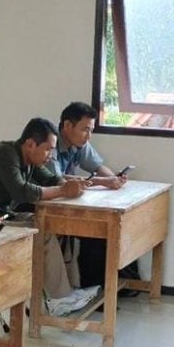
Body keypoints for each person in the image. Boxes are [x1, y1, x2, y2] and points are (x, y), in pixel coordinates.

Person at [0, 117, 94, 316]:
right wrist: (64, 190)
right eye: (47, 149)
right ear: (30, 144)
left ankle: (71, 290)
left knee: (57, 225)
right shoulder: (5, 154)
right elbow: (22, 191)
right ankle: (58, 299)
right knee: (41, 230)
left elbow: (49, 178)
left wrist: (67, 184)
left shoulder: (30, 160)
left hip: (1, 215)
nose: (49, 156)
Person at [50, 102, 138, 296]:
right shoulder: (51, 143)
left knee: (117, 226)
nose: (88, 136)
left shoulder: (80, 144)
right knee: (96, 231)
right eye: (85, 130)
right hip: (48, 205)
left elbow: (98, 167)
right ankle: (94, 288)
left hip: (69, 202)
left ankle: (114, 285)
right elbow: (59, 180)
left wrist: (114, 180)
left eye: (91, 130)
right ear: (67, 126)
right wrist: (102, 182)